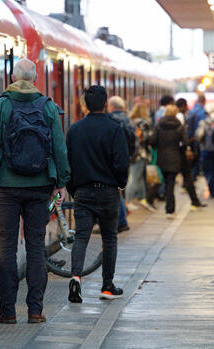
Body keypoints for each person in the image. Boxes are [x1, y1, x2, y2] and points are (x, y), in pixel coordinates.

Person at [0, 58, 70, 324]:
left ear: (12, 77)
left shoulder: (2, 105)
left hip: (6, 188)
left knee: (7, 249)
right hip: (40, 186)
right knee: (35, 248)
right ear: (34, 78)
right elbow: (59, 148)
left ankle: (7, 312)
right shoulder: (48, 107)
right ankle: (35, 310)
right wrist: (61, 183)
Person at [66, 85, 129, 303]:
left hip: (83, 192)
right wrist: (120, 184)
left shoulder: (74, 130)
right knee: (109, 238)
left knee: (81, 237)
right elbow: (122, 163)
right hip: (108, 192)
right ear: (105, 104)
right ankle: (107, 286)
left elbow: (68, 164)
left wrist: (73, 189)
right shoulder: (114, 129)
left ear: (84, 105)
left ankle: (75, 277)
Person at [149, 105, 206, 219]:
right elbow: (185, 142)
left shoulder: (159, 125)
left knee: (166, 184)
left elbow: (153, 141)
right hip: (175, 157)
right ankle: (170, 211)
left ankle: (157, 203)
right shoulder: (179, 126)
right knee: (171, 183)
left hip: (162, 158)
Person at [107, 96, 134, 231]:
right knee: (119, 190)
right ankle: (121, 219)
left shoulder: (111, 120)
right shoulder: (128, 119)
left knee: (116, 192)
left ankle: (121, 220)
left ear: (111, 106)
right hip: (126, 157)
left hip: (114, 158)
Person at [125, 103, 156, 212]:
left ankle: (143, 198)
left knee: (140, 177)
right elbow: (147, 138)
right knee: (134, 178)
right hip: (140, 153)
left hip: (132, 153)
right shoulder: (143, 123)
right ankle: (128, 201)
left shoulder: (131, 122)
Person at [185, 93, 208, 178]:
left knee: (191, 160)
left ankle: (190, 178)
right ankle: (193, 177)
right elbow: (202, 127)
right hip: (197, 139)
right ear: (204, 101)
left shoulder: (191, 111)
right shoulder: (202, 112)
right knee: (197, 159)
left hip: (189, 139)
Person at [197, 114, 214, 199]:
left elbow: (198, 136)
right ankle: (212, 191)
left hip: (205, 150)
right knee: (213, 172)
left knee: (206, 171)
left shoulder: (202, 124)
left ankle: (210, 187)